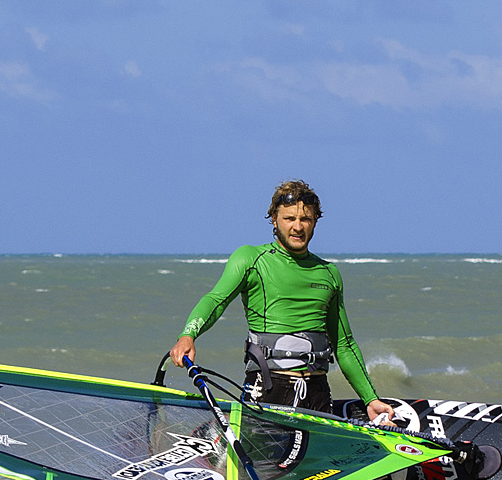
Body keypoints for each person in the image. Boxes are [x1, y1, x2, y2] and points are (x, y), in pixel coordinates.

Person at [169, 180, 395, 425]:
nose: (298, 227)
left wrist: (370, 399)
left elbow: (344, 344)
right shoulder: (251, 259)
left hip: (318, 393)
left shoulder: (328, 273)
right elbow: (216, 299)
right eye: (289, 219)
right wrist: (188, 335)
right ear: (274, 220)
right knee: (258, 452)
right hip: (269, 388)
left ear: (315, 221)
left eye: (305, 219)